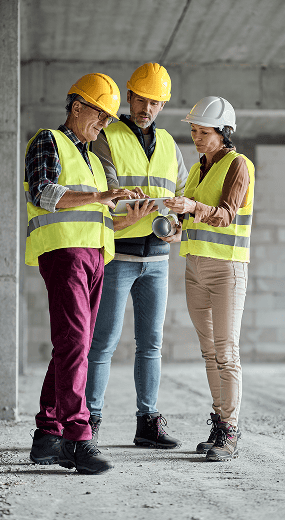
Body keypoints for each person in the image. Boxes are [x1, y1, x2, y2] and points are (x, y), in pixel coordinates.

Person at [25, 73, 136, 475]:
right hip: (65, 253)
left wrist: (126, 216)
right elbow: (44, 193)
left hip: (93, 257)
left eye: (109, 118)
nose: (104, 124)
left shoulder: (90, 157)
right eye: (100, 115)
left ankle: (47, 435)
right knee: (74, 344)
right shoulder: (47, 141)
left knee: (75, 346)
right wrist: (101, 196)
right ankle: (76, 438)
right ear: (76, 107)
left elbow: (96, 214)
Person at [85, 63, 188, 448]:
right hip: (118, 256)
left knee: (151, 343)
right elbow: (107, 196)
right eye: (142, 99)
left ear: (163, 105)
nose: (148, 107)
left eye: (155, 102)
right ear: (129, 96)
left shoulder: (170, 145)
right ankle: (89, 421)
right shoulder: (106, 138)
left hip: (158, 260)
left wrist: (179, 225)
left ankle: (148, 422)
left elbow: (181, 194)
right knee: (104, 342)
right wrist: (132, 213)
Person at [164, 96, 255, 461]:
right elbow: (190, 220)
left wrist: (191, 208)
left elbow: (226, 215)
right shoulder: (199, 169)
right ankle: (219, 423)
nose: (197, 138)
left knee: (226, 352)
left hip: (226, 269)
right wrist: (173, 224)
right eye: (193, 131)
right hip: (195, 269)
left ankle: (230, 431)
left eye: (204, 132)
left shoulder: (238, 165)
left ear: (223, 133)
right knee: (208, 352)